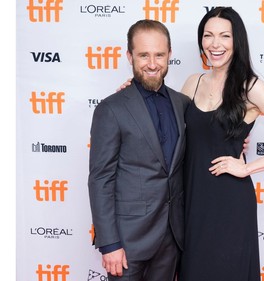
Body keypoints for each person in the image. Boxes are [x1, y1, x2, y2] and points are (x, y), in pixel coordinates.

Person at [117, 7, 264, 281]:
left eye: (224, 36)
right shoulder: (192, 83)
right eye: (208, 35)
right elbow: (166, 124)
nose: (215, 44)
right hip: (191, 200)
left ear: (237, 41)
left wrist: (247, 168)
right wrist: (135, 92)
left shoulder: (250, 87)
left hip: (229, 202)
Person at [87, 19, 191, 281]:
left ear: (170, 56)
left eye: (159, 55)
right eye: (144, 55)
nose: (152, 63)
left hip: (172, 238)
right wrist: (109, 243)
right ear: (130, 56)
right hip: (127, 241)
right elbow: (100, 179)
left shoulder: (183, 104)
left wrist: (238, 143)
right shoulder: (111, 109)